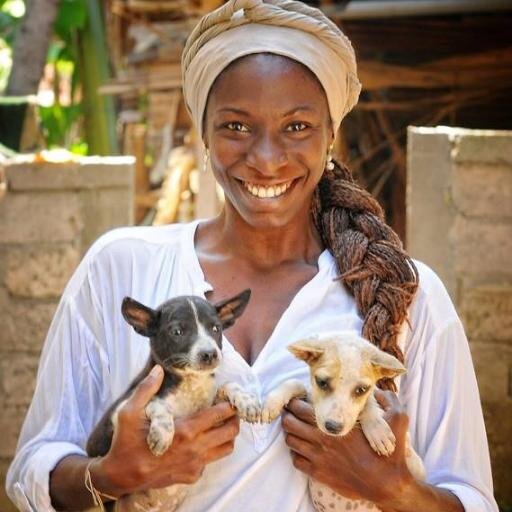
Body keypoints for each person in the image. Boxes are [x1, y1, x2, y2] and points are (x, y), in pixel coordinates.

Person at [6, 0, 498, 511]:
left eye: (298, 126)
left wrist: (393, 488)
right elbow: (32, 470)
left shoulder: (409, 295)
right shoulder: (121, 267)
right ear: (203, 134)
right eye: (236, 126)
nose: (265, 159)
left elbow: (473, 498)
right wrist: (110, 474)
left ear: (331, 134)